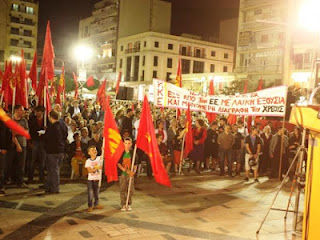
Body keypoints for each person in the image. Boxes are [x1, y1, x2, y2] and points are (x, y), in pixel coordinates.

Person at [43, 110, 67, 194]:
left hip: (53, 151)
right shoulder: (62, 125)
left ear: (50, 117)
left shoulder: (52, 127)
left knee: (53, 170)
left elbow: (48, 138)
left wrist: (44, 134)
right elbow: (65, 135)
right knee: (53, 169)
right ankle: (50, 185)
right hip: (60, 150)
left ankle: (55, 188)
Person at [9, 105, 29, 187]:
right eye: (21, 110)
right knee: (11, 163)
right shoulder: (11, 120)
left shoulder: (24, 121)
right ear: (16, 110)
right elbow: (11, 133)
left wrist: (17, 131)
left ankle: (20, 181)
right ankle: (11, 179)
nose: (23, 112)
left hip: (23, 144)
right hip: (11, 145)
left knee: (21, 164)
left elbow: (26, 132)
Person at [117, 137, 138, 211]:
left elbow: (135, 164)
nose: (127, 145)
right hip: (123, 174)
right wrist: (125, 171)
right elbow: (119, 164)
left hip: (130, 174)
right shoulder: (121, 153)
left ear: (131, 144)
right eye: (126, 143)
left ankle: (128, 203)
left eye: (129, 143)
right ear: (123, 144)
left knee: (130, 189)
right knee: (123, 189)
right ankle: (123, 204)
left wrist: (133, 172)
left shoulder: (133, 153)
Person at [28, 105, 46, 183]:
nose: (37, 113)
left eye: (39, 111)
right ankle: (30, 177)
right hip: (34, 141)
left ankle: (41, 177)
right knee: (33, 160)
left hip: (43, 142)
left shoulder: (46, 120)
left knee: (42, 160)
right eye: (36, 111)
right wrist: (30, 141)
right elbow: (29, 131)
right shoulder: (31, 120)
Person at [85, 145, 104, 212]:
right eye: (92, 150)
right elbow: (89, 170)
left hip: (97, 179)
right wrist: (96, 168)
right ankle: (90, 205)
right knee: (90, 193)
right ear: (89, 153)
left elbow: (103, 156)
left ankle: (96, 203)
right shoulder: (88, 161)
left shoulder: (99, 159)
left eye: (95, 150)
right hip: (91, 180)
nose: (94, 151)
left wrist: (103, 150)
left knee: (97, 192)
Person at [0, 121, 12, 195]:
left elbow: (8, 136)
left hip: (2, 149)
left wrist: (5, 148)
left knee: (1, 170)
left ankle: (1, 186)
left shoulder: (4, 124)